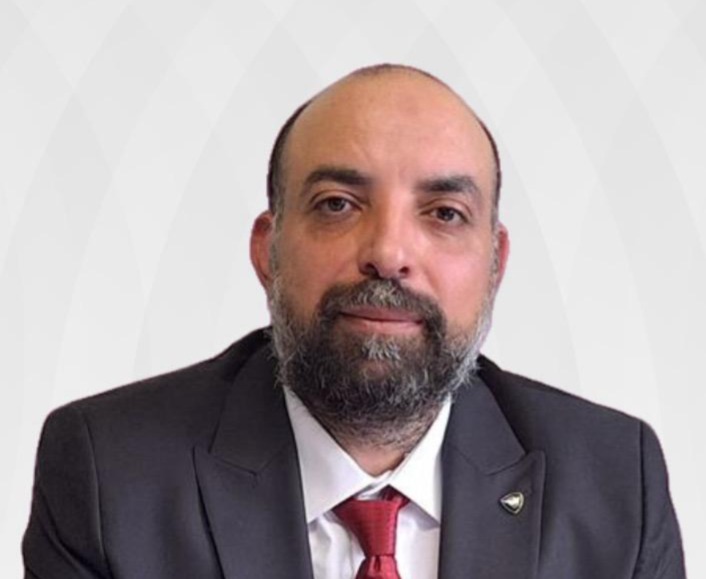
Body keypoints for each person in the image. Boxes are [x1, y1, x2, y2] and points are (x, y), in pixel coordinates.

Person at [23, 64, 685, 579]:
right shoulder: (111, 472)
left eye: (444, 213)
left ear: (495, 264)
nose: (388, 253)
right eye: (338, 204)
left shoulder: (614, 485)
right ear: (268, 251)